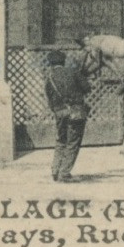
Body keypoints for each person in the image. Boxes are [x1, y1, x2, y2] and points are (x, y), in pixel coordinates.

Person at [44, 50, 91, 183]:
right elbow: (87, 88)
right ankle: (64, 173)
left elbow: (49, 97)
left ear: (50, 63)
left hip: (59, 113)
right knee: (73, 142)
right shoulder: (73, 72)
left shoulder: (50, 77)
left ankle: (55, 170)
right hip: (76, 112)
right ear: (63, 61)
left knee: (60, 140)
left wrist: (56, 110)